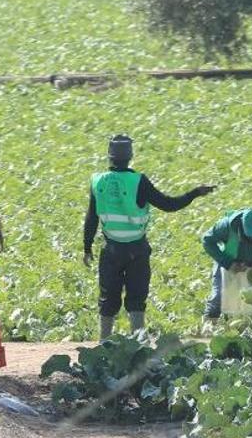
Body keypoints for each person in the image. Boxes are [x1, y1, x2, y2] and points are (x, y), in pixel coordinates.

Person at [84, 135, 215, 339]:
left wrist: (87, 247)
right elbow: (169, 205)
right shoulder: (138, 181)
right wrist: (195, 193)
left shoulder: (98, 181)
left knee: (108, 297)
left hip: (110, 250)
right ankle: (138, 342)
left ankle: (104, 342)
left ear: (109, 157)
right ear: (130, 156)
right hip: (136, 249)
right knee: (136, 297)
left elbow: (91, 217)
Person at [202, 208, 252, 325]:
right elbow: (207, 240)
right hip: (227, 260)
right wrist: (228, 263)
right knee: (218, 296)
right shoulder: (227, 225)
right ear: (242, 226)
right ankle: (209, 325)